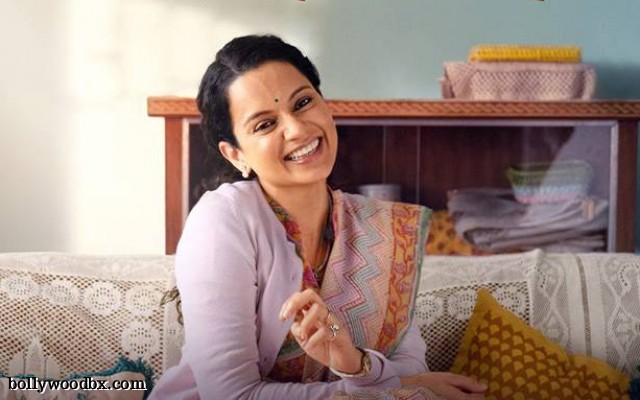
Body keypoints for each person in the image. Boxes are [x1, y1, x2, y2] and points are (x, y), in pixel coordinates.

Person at [150, 34, 486, 400]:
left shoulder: (380, 228)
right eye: (264, 124)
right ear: (236, 154)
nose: (297, 129)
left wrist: (355, 362)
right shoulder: (223, 221)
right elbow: (232, 395)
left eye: (303, 103)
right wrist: (370, 388)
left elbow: (409, 369)